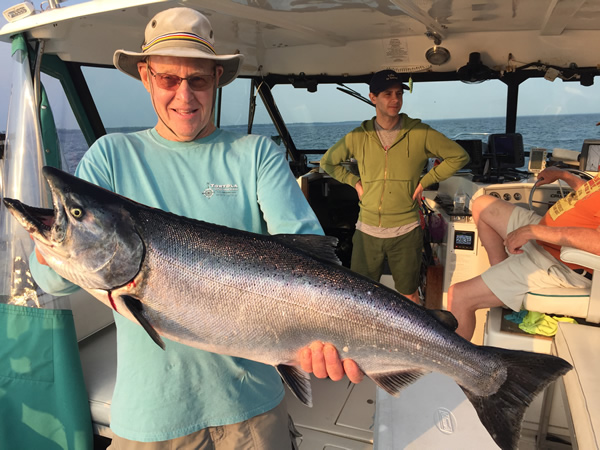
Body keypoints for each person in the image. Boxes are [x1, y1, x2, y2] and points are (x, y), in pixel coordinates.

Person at [29, 7, 361, 449]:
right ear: (146, 76)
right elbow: (52, 279)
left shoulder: (255, 154)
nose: (184, 95)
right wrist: (52, 244)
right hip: (152, 414)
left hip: (252, 408)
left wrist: (318, 337)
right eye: (169, 79)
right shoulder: (110, 157)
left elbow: (309, 260)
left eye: (198, 80)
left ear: (216, 80)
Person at [320, 70, 469, 303]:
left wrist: (425, 181)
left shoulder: (420, 132)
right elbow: (328, 162)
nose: (395, 99)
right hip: (367, 231)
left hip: (406, 231)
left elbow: (459, 156)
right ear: (373, 98)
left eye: (399, 93)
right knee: (361, 296)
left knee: (409, 294)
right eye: (387, 94)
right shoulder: (358, 136)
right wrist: (355, 183)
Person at [448, 167, 600, 341]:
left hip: (560, 262)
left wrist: (532, 232)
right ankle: (502, 287)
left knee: (459, 296)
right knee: (482, 205)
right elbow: (590, 195)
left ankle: (458, 366)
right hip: (546, 234)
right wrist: (564, 176)